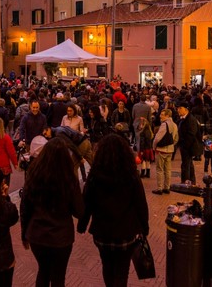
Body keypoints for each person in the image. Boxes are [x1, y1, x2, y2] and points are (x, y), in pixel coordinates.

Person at [77, 134, 149, 286]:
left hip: (102, 232)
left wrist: (82, 224)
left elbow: (87, 202)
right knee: (122, 271)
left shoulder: (95, 176)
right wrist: (144, 227)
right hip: (125, 232)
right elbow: (140, 203)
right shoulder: (131, 175)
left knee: (107, 266)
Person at [20, 137, 84, 287]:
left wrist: (24, 234)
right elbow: (79, 211)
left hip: (37, 234)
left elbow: (25, 207)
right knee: (58, 277)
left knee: (43, 271)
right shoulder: (69, 179)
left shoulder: (34, 175)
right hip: (61, 237)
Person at [152, 108, 179, 195]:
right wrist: (172, 145)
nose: (160, 116)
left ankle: (159, 188)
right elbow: (176, 138)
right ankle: (167, 187)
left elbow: (157, 138)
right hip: (170, 150)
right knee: (168, 170)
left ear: (167, 116)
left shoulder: (164, 124)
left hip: (161, 150)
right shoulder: (174, 125)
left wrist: (154, 147)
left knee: (159, 169)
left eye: (162, 114)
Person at [176, 101, 203, 184]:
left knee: (186, 165)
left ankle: (185, 182)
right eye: (178, 108)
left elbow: (191, 134)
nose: (178, 110)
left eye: (180, 108)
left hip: (189, 146)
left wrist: (185, 146)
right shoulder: (183, 119)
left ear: (186, 110)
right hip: (186, 146)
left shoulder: (190, 119)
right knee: (188, 164)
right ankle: (191, 181)